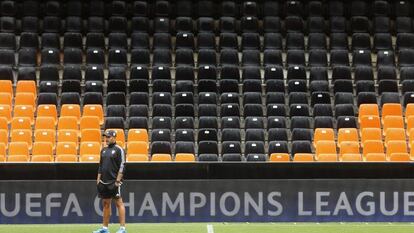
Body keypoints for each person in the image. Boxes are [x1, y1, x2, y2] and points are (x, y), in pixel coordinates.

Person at [93, 130, 127, 233]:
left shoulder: (119, 150)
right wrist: (98, 179)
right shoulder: (103, 150)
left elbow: (122, 165)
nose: (106, 139)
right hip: (104, 182)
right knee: (106, 204)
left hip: (114, 182)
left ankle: (122, 228)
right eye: (105, 137)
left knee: (119, 203)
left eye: (108, 137)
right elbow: (100, 165)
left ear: (114, 137)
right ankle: (105, 228)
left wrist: (118, 180)